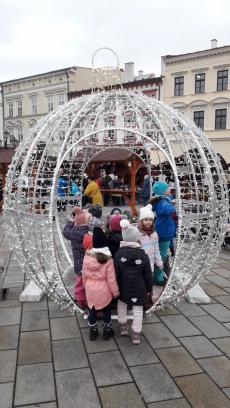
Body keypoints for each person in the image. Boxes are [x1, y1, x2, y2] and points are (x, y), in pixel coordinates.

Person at [114, 219, 152, 344]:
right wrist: (149, 289)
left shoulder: (119, 254)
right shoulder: (143, 255)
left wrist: (116, 287)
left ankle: (123, 326)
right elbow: (147, 274)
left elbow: (116, 273)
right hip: (139, 287)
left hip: (123, 286)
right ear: (136, 238)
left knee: (121, 304)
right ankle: (136, 333)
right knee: (137, 309)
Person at [82, 227, 120, 341]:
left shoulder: (87, 257)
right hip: (103, 288)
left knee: (92, 310)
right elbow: (111, 278)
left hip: (90, 287)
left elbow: (84, 274)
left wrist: (85, 286)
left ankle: (93, 332)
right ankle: (106, 331)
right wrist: (115, 292)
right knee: (107, 309)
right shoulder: (108, 260)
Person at [148, 181, 178, 285]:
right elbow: (168, 208)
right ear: (163, 191)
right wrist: (173, 213)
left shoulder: (164, 199)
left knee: (162, 255)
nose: (169, 189)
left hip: (165, 233)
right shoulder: (163, 202)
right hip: (163, 233)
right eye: (168, 188)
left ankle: (160, 275)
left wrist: (171, 245)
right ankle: (157, 278)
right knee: (161, 256)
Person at [62, 206, 91, 309]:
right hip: (90, 263)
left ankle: (80, 302)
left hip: (78, 264)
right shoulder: (89, 231)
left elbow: (65, 232)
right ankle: (90, 301)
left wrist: (70, 222)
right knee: (89, 284)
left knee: (79, 284)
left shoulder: (73, 232)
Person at [138, 205, 163, 276]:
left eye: (150, 220)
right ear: (141, 220)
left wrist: (159, 262)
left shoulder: (154, 234)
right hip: (140, 265)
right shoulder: (138, 234)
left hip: (150, 265)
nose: (148, 222)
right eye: (146, 220)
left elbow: (156, 249)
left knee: (149, 282)